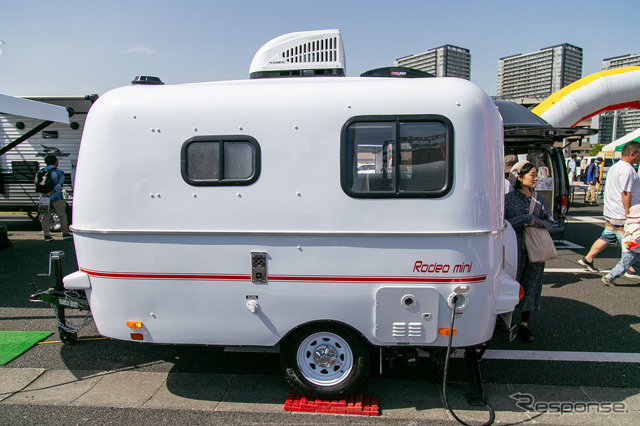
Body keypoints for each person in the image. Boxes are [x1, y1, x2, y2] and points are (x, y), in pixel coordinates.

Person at [505, 160, 554, 343]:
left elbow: (550, 222)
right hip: (513, 247)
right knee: (510, 281)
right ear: (519, 177)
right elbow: (502, 223)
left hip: (535, 247)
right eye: (532, 174)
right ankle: (504, 318)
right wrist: (523, 220)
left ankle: (524, 323)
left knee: (532, 284)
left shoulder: (540, 199)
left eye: (535, 174)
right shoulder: (507, 199)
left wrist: (534, 221)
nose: (536, 178)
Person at [578, 142, 640, 274]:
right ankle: (630, 269)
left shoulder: (614, 167)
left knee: (607, 237)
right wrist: (628, 213)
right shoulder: (627, 170)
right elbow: (625, 192)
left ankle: (588, 259)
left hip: (611, 211)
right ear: (632, 154)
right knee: (630, 243)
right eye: (638, 155)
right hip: (621, 213)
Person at [602, 204, 640, 286]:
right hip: (631, 249)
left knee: (637, 264)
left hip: (632, 249)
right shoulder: (636, 226)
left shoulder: (629, 223)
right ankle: (609, 277)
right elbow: (637, 237)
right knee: (624, 265)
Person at [36, 154, 72, 241]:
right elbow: (59, 185)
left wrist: (45, 193)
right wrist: (52, 192)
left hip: (44, 197)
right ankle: (65, 233)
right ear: (56, 162)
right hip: (56, 197)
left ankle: (46, 235)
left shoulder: (40, 172)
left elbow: (36, 185)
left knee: (45, 216)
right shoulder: (59, 172)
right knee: (62, 215)